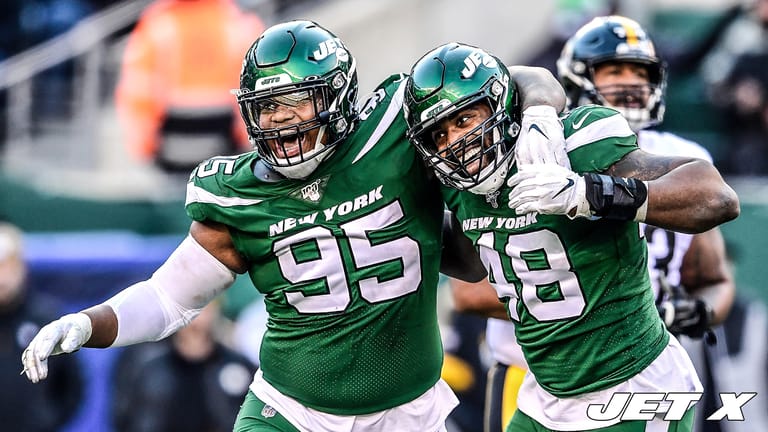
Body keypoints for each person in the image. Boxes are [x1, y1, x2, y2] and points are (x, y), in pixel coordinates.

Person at [20, 20, 568, 432]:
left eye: (295, 102)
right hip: (292, 414)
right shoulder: (235, 193)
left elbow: (522, 78)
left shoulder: (393, 128)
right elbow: (169, 300)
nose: (280, 122)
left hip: (410, 412)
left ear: (338, 95)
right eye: (267, 107)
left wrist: (540, 115)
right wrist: (88, 324)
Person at [403, 37, 739, 432]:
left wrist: (590, 193)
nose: (456, 144)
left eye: (464, 121)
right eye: (439, 136)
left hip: (628, 387)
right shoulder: (457, 186)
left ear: (501, 105)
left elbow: (717, 197)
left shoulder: (574, 143)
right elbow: (473, 259)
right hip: (546, 390)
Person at [115, 0, 265, 174]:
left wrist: (144, 146)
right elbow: (254, 87)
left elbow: (139, 91)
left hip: (171, 145)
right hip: (224, 143)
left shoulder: (157, 24)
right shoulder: (237, 21)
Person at [110, 301, 256, 432]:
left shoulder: (237, 365)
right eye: (192, 309)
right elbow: (124, 415)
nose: (198, 321)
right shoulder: (145, 363)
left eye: (205, 309)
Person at [0, 221, 84, 432]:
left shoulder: (46, 319)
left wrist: (46, 420)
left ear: (20, 266)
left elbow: (73, 386)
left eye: (6, 265)